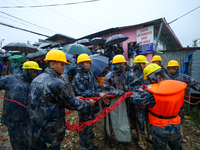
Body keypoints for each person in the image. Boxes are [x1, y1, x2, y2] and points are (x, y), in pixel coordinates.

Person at [25, 50, 95, 150]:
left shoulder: (37, 79)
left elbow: (50, 98)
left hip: (34, 126)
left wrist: (74, 97)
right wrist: (88, 103)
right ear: (52, 64)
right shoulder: (57, 82)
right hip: (50, 129)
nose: (64, 67)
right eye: (62, 64)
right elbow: (72, 104)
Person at [131, 63, 187, 150]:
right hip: (176, 124)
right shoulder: (179, 86)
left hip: (159, 127)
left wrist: (137, 91)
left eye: (149, 78)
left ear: (152, 77)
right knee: (176, 147)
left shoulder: (151, 92)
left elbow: (136, 100)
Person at [0, 61, 42, 150]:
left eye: (36, 72)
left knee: (28, 141)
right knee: (16, 142)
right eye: (33, 71)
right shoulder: (10, 79)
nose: (35, 74)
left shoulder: (34, 83)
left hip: (26, 119)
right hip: (12, 118)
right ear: (27, 71)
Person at [72, 53, 108, 150]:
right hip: (84, 106)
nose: (89, 65)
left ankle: (89, 141)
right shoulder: (77, 77)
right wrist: (97, 94)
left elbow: (96, 86)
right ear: (80, 64)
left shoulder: (91, 74)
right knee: (84, 125)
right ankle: (84, 146)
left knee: (90, 123)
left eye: (89, 63)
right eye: (86, 63)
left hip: (93, 105)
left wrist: (101, 93)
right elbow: (83, 93)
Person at [167, 60, 200, 143]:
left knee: (181, 116)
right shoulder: (165, 77)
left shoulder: (183, 77)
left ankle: (181, 133)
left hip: (180, 101)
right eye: (169, 69)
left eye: (173, 69)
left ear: (177, 68)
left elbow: (194, 83)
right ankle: (169, 132)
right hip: (168, 101)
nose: (171, 70)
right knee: (169, 116)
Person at [102, 55, 132, 145]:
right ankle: (108, 139)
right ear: (119, 65)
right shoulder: (110, 76)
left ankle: (121, 138)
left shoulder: (123, 75)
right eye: (123, 64)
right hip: (111, 103)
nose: (125, 66)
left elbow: (125, 87)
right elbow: (105, 88)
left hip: (121, 102)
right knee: (111, 121)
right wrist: (120, 92)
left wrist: (128, 92)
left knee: (121, 120)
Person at [127, 55, 150, 149]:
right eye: (143, 63)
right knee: (137, 119)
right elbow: (128, 88)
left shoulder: (147, 73)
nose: (145, 65)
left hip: (147, 100)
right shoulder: (131, 75)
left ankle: (149, 135)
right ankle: (139, 137)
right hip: (136, 102)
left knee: (148, 117)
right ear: (138, 64)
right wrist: (138, 89)